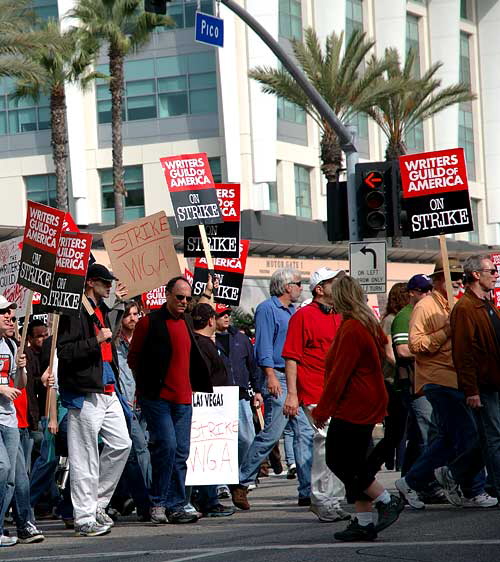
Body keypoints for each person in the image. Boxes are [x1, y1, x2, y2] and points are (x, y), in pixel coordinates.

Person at [395, 258, 496, 509]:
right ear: (438, 279)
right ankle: (471, 488)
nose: (458, 282)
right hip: (439, 379)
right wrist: (446, 332)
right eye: (452, 278)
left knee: (449, 439)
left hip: (456, 378)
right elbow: (415, 345)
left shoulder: (455, 305)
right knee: (472, 435)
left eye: (459, 278)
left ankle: (413, 480)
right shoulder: (426, 306)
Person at [311, 276, 403, 542]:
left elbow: (340, 374)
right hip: (368, 401)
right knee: (358, 466)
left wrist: (322, 410)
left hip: (354, 404)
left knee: (339, 460)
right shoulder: (365, 324)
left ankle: (387, 501)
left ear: (340, 297)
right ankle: (363, 521)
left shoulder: (352, 328)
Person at [128, 276, 213, 525]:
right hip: (158, 398)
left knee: (180, 452)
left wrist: (208, 291)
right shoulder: (149, 322)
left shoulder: (187, 320)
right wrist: (146, 387)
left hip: (183, 399)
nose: (184, 302)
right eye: (179, 297)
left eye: (187, 298)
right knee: (166, 446)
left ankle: (176, 504)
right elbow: (134, 358)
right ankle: (158, 503)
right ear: (167, 295)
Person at [57, 264, 132, 537]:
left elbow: (109, 336)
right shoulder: (73, 310)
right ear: (90, 282)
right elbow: (63, 351)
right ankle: (84, 517)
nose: (109, 285)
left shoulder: (98, 308)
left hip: (106, 387)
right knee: (84, 457)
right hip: (84, 391)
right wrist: (95, 340)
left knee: (122, 444)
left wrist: (115, 309)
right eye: (104, 282)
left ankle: (96, 503)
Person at [230, 269, 313, 511]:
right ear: (287, 287)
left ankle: (306, 490)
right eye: (298, 284)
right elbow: (264, 344)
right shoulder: (268, 309)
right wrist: (269, 376)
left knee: (304, 432)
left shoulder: (292, 311)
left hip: (292, 376)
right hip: (276, 375)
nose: (300, 288)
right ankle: (242, 481)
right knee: (272, 435)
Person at [282, 267, 350, 523]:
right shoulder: (302, 317)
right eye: (333, 282)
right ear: (320, 288)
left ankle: (332, 499)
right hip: (315, 391)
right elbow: (291, 357)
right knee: (325, 445)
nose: (338, 285)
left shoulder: (340, 315)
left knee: (338, 446)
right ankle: (322, 500)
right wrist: (291, 393)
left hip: (338, 391)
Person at [449, 255, 500, 498]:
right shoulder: (465, 308)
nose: (495, 274)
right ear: (476, 275)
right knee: (495, 438)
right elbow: (463, 352)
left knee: (488, 438)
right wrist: (471, 390)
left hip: (495, 381)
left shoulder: (487, 305)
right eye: (491, 271)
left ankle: (453, 473)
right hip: (484, 384)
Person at [189, 303, 235, 518]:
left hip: (213, 405)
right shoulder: (203, 345)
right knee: (208, 454)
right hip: (210, 408)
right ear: (210, 321)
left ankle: (207, 498)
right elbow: (204, 374)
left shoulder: (200, 342)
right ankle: (209, 500)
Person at [110, 299, 151, 521]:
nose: (133, 319)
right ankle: (146, 501)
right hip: (125, 404)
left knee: (136, 453)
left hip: (143, 401)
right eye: (128, 315)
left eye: (136, 314)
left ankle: (124, 498)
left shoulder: (144, 341)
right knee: (137, 451)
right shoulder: (116, 345)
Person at [215, 305, 262, 469]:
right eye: (221, 314)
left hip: (241, 395)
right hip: (218, 397)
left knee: (247, 438)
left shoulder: (241, 339)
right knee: (221, 439)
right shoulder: (207, 340)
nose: (226, 317)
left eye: (228, 313)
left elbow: (252, 365)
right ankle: (221, 482)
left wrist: (257, 391)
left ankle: (242, 476)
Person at [0, 295, 27, 547]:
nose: (9, 316)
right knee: (2, 468)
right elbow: (5, 387)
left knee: (9, 477)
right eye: (3, 312)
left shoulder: (10, 345)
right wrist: (1, 389)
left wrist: (21, 368)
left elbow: (19, 386)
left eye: (10, 311)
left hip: (9, 419)